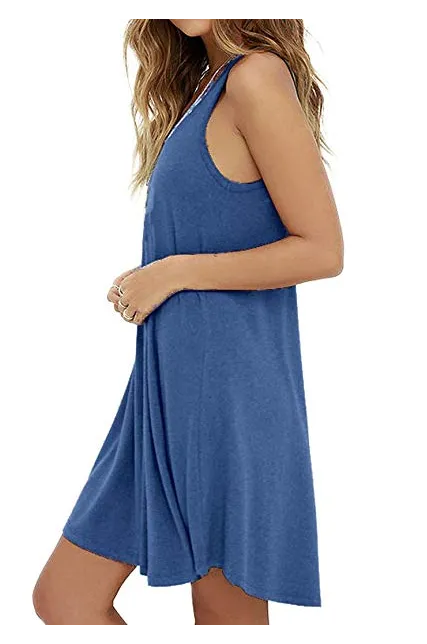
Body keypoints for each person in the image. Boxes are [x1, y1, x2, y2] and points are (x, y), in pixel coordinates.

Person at [32, 17, 344, 629]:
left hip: (226, 392)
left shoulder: (255, 78)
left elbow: (322, 249)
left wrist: (173, 273)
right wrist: (156, 274)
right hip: (163, 388)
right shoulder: (206, 86)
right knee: (65, 599)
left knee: (225, 613)